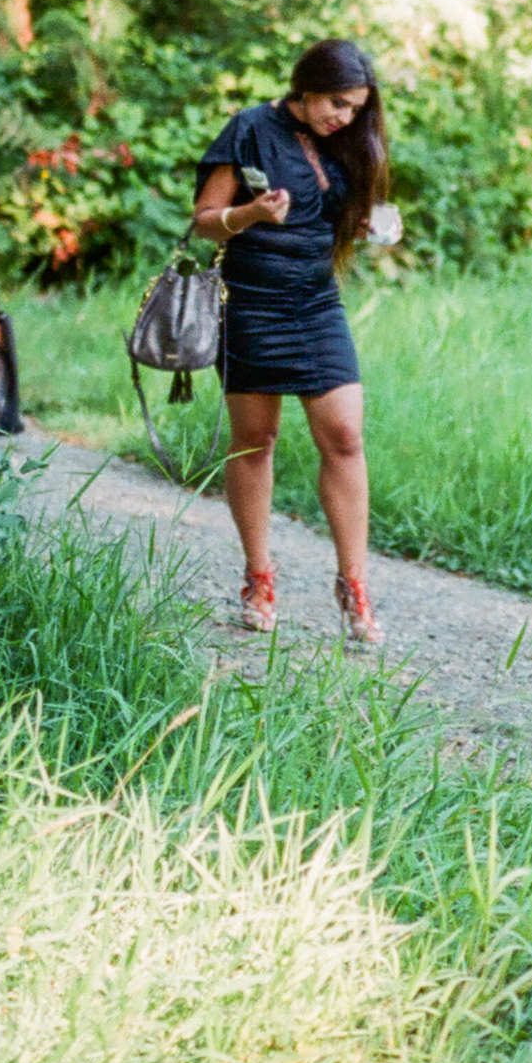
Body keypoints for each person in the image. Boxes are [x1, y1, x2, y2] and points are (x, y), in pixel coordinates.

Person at [192, 38, 400, 647]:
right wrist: (252, 215)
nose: (345, 116)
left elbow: (348, 210)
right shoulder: (250, 130)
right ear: (305, 87)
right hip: (253, 301)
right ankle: (259, 580)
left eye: (356, 108)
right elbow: (204, 220)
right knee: (255, 442)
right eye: (336, 102)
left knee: (344, 435)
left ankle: (354, 584)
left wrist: (369, 222)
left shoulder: (349, 142)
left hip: (316, 304)